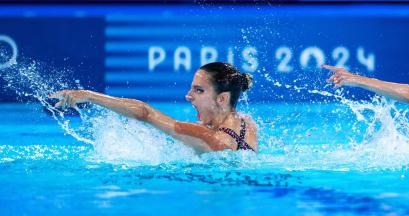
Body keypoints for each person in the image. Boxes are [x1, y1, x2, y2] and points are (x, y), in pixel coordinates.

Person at [49, 62, 258, 153]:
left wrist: (87, 96)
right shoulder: (247, 124)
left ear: (222, 99)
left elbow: (145, 113)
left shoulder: (206, 136)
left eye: (199, 91)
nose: (188, 96)